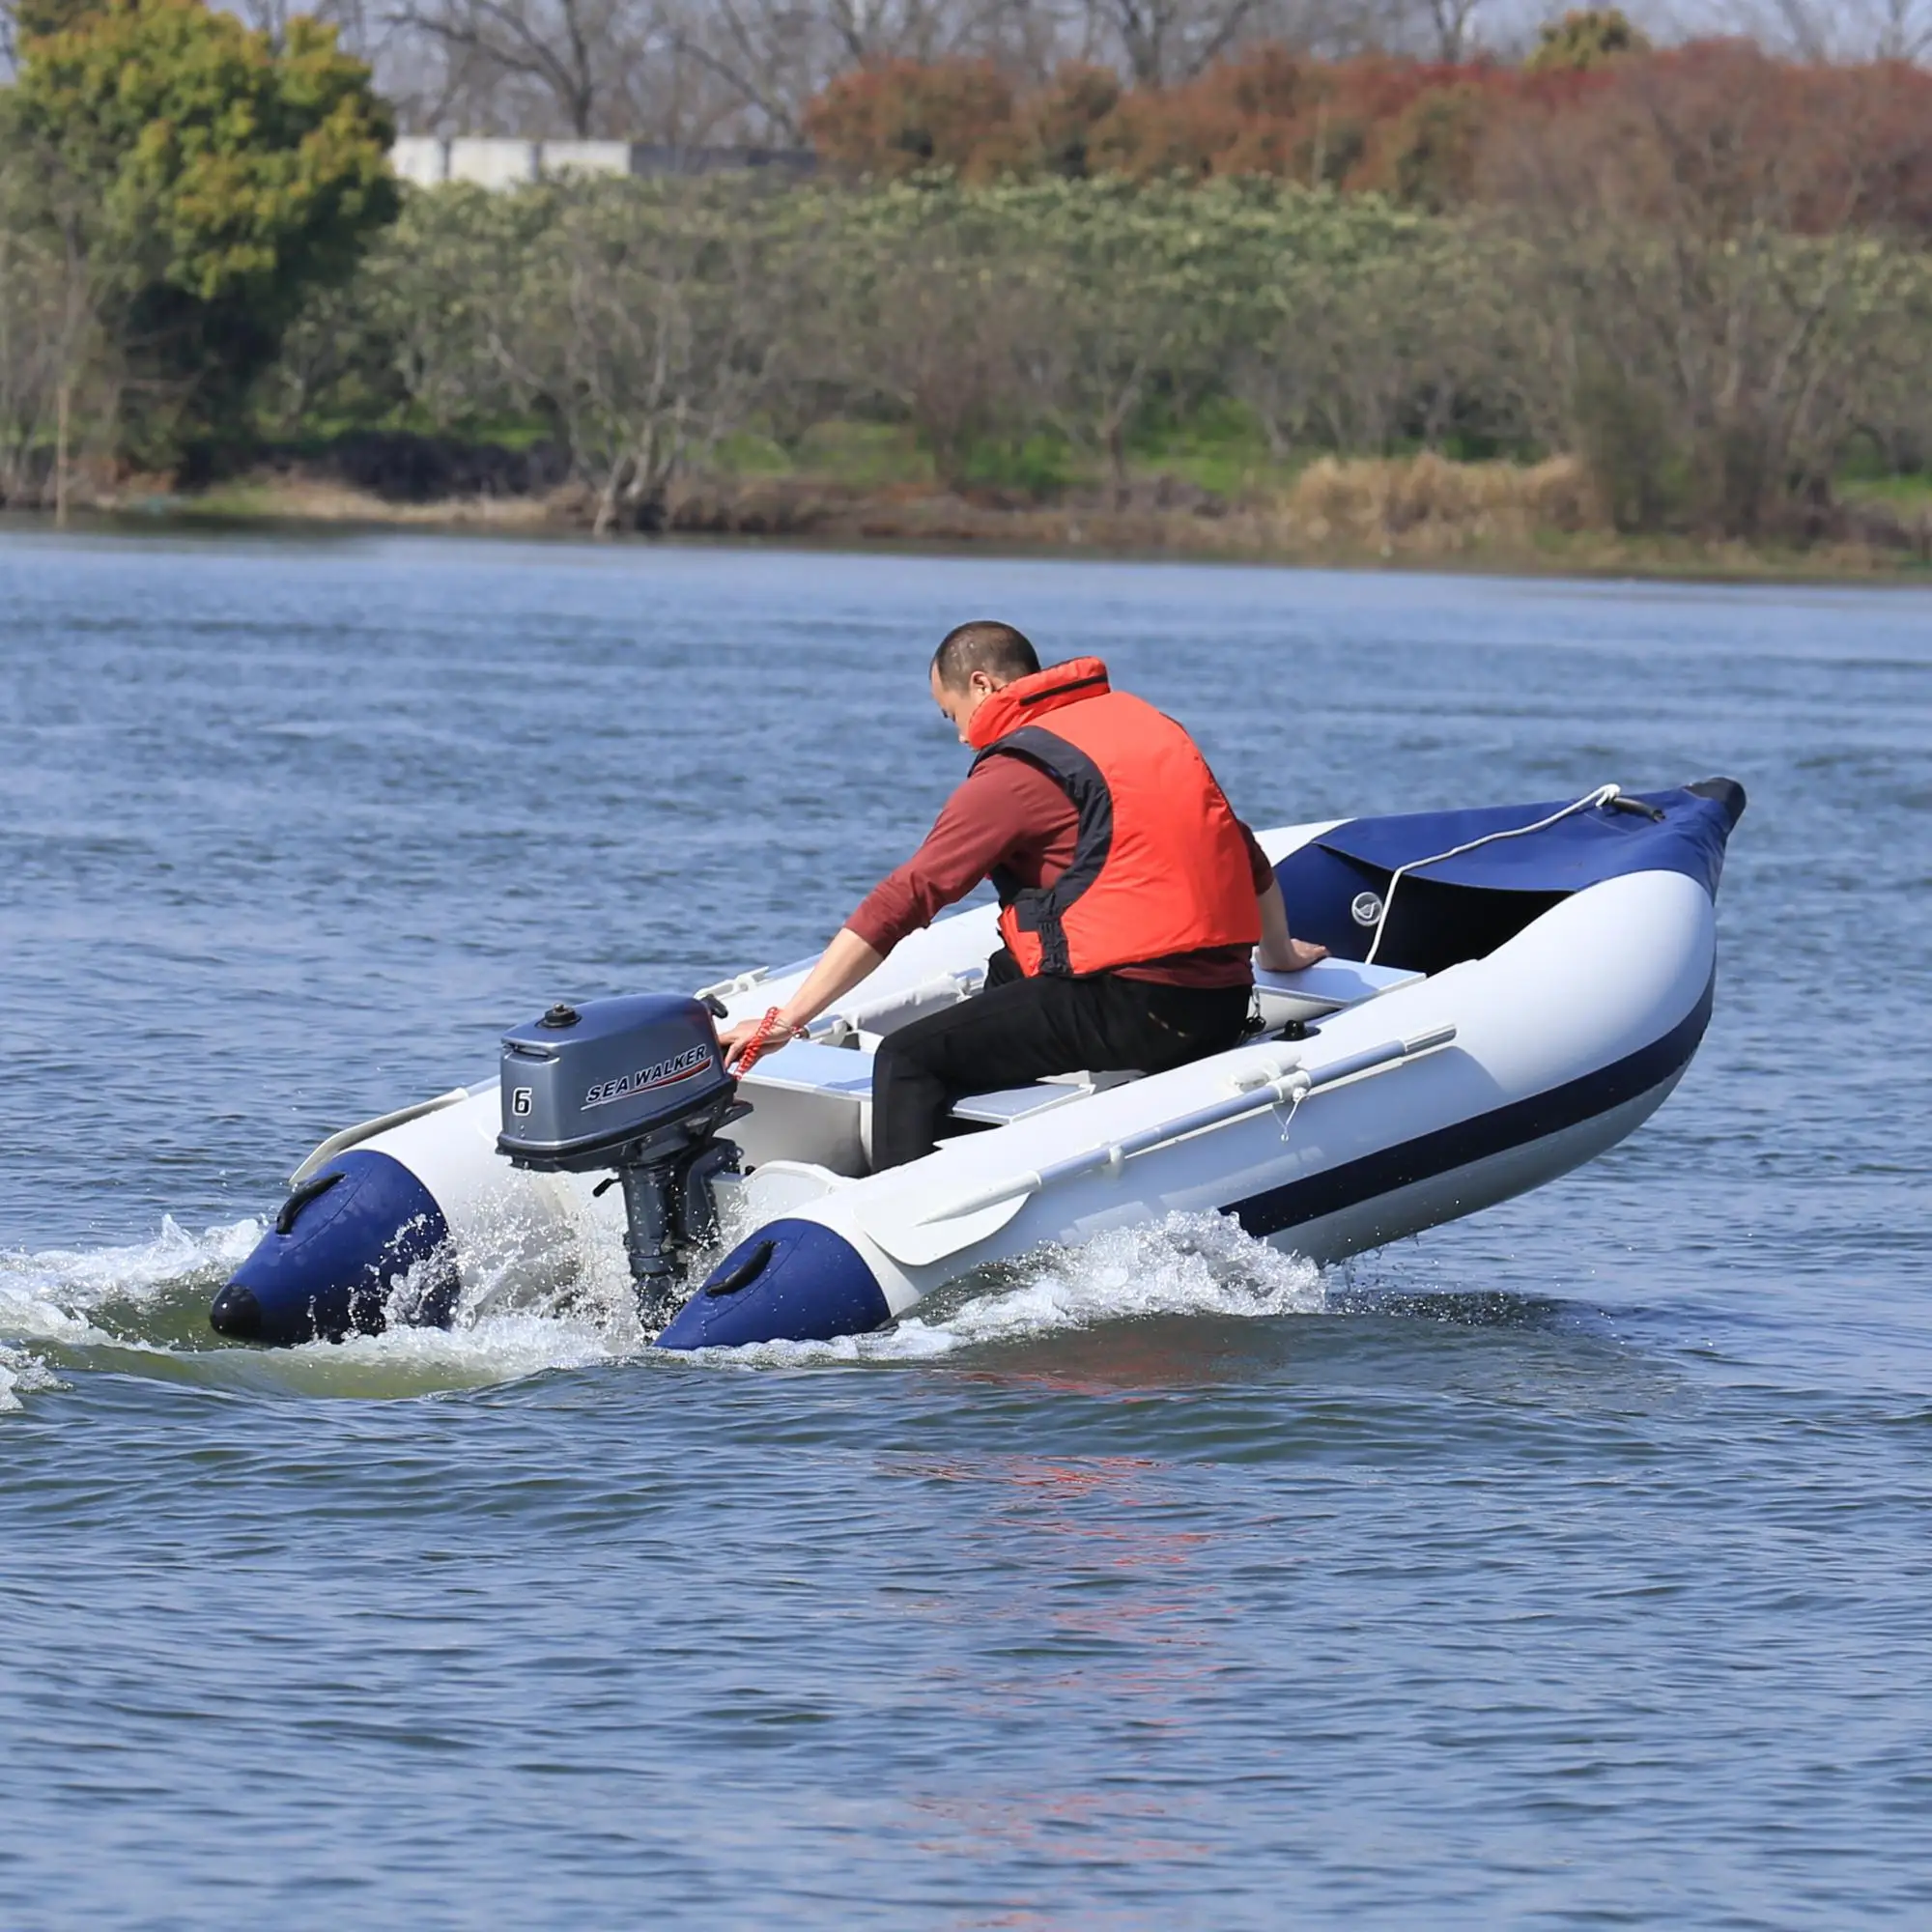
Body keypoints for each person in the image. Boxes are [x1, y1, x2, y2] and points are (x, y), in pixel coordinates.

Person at [721, 621, 1325, 1170]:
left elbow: (906, 897)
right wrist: (1277, 955)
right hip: (1218, 1000)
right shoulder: (1142, 726)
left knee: (907, 1061)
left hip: (1135, 1007)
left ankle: (904, 1233)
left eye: (950, 714)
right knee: (1008, 974)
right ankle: (981, 1162)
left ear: (981, 685)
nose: (960, 738)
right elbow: (1243, 853)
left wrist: (788, 1019)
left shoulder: (1018, 772)